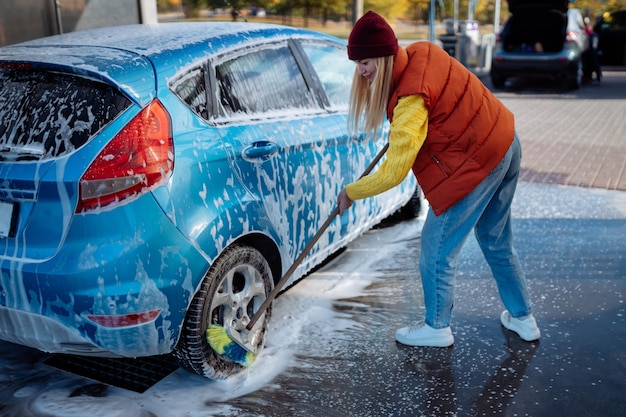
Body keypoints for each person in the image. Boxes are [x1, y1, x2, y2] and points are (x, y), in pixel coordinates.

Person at [336, 11, 540, 347]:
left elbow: (393, 173)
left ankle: (437, 327)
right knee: (495, 240)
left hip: (476, 161)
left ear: (385, 56)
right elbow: (445, 101)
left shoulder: (410, 102)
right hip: (504, 141)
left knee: (436, 249)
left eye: (366, 61)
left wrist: (352, 192)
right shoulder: (422, 52)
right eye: (357, 62)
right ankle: (523, 318)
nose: (361, 70)